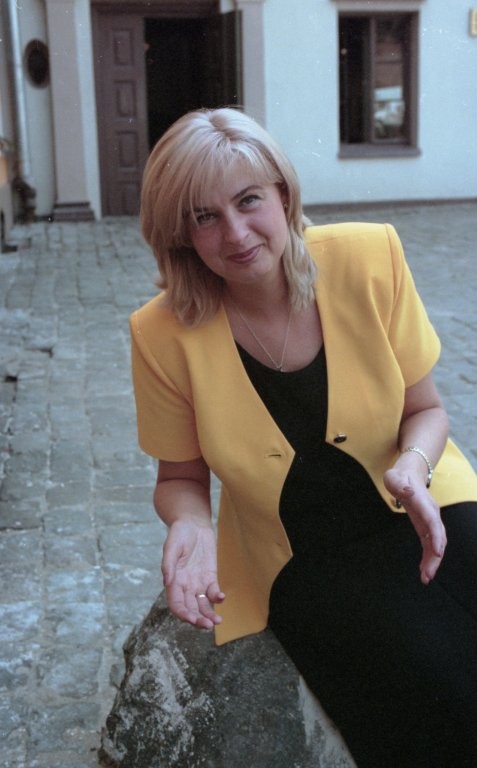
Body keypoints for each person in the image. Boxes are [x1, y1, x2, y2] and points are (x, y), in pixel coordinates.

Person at [130, 107, 477, 767]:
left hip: (421, 499)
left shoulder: (370, 257)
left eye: (248, 200)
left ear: (283, 194)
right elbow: (178, 478)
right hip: (302, 550)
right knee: (434, 685)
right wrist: (192, 526)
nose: (235, 233)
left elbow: (427, 410)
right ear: (180, 234)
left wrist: (413, 466)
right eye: (205, 217)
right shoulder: (159, 334)